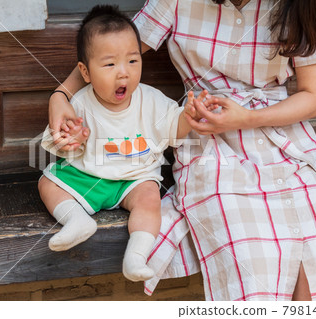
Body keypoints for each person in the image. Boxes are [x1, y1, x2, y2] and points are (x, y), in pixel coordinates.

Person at [47, 0, 316, 301]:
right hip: (210, 140)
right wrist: (61, 97)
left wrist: (249, 118)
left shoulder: (302, 4)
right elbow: (111, 49)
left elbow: (314, 97)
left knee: (312, 259)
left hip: (284, 142)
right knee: (254, 260)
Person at [38, 5, 208, 283]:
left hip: (134, 179)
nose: (124, 73)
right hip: (87, 176)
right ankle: (76, 220)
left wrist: (190, 115)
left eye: (132, 61)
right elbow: (61, 141)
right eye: (109, 64)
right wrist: (73, 140)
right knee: (48, 183)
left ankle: (136, 256)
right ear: (86, 71)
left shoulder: (151, 100)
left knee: (151, 199)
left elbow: (173, 127)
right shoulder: (80, 103)